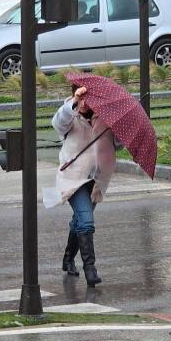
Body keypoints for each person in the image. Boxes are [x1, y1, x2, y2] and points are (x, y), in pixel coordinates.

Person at [51, 84, 117, 287]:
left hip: (95, 180)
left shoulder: (104, 119)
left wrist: (115, 132)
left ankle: (68, 259)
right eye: (80, 98)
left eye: (88, 98)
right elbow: (57, 123)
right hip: (73, 179)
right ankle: (90, 269)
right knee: (87, 222)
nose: (84, 103)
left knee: (80, 220)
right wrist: (73, 102)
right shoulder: (69, 116)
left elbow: (115, 146)